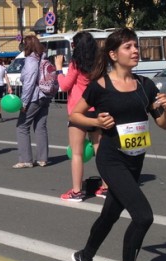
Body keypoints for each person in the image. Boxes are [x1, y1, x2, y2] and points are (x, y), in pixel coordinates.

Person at [69, 28, 166, 261]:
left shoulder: (145, 85)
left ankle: (85, 255)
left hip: (134, 160)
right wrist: (96, 123)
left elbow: (163, 125)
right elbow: (75, 114)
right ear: (114, 54)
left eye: (136, 46)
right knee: (143, 216)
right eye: (128, 47)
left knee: (111, 214)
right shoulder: (100, 86)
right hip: (111, 160)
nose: (136, 50)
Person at [55, 31, 106, 201]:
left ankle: (77, 191)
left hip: (78, 111)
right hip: (96, 109)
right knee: (101, 150)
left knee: (76, 153)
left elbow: (65, 85)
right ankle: (106, 187)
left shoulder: (76, 64)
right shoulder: (100, 63)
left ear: (76, 47)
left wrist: (58, 70)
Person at [14, 36, 51, 168]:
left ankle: (26, 160)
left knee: (22, 127)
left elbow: (29, 83)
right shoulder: (43, 57)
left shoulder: (31, 61)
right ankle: (42, 159)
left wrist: (24, 103)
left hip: (34, 97)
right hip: (45, 95)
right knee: (41, 126)